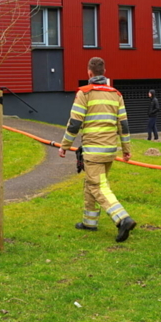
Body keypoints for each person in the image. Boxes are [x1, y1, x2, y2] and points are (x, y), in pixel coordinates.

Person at [58, 57, 137, 243]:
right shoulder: (116, 94)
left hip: (93, 151)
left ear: (89, 73)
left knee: (97, 186)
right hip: (110, 150)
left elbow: (75, 123)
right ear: (104, 72)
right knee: (92, 184)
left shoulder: (84, 93)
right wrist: (126, 149)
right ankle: (89, 222)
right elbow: (123, 125)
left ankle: (122, 219)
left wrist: (65, 146)